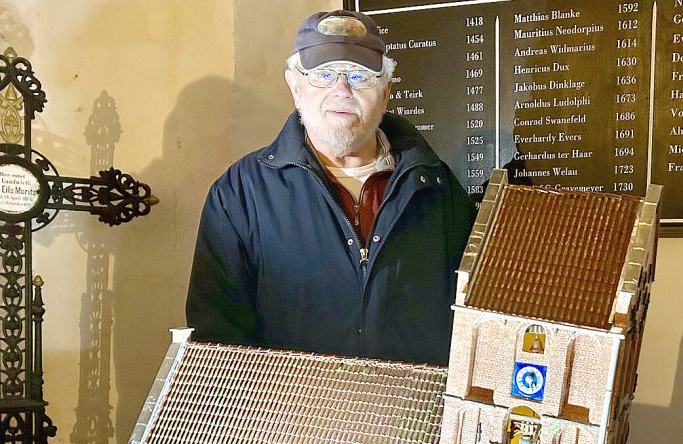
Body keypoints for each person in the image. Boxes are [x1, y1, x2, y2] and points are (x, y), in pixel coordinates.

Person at [186, 10, 475, 366]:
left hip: (409, 417)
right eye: (323, 75)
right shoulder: (240, 194)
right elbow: (217, 340)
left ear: (385, 93)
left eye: (359, 76)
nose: (341, 90)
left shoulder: (437, 190)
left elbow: (469, 327)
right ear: (295, 87)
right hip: (289, 417)